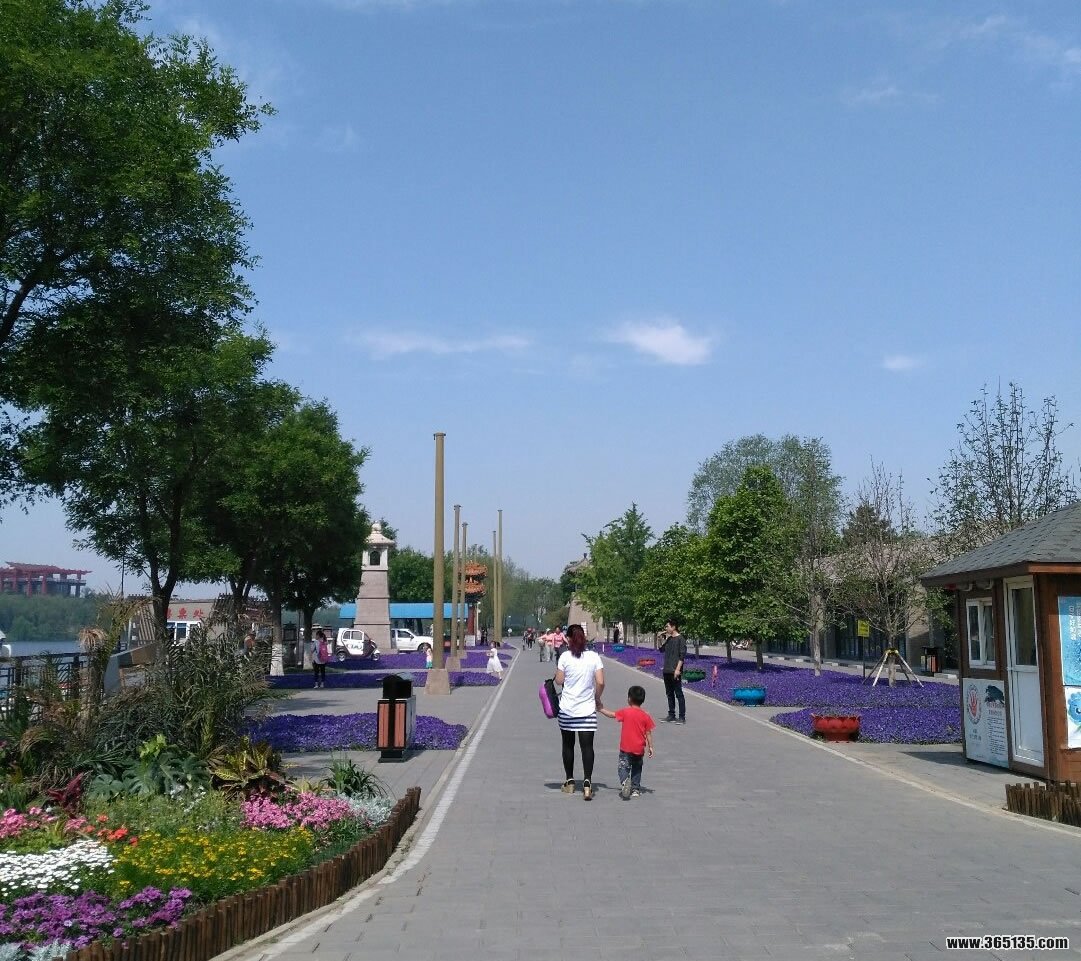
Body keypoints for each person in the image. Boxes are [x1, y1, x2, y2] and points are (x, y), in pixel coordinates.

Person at [554, 623, 604, 800]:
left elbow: (559, 681)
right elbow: (600, 682)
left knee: (568, 745)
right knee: (587, 747)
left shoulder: (565, 656)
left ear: (568, 639)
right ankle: (587, 783)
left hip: (567, 708)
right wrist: (597, 698)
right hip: (587, 709)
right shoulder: (593, 657)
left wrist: (560, 672)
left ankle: (569, 782)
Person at [599, 685, 655, 799]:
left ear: (629, 699)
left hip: (626, 748)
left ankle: (625, 782)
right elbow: (648, 733)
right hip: (639, 749)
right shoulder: (646, 716)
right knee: (637, 769)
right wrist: (651, 747)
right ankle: (635, 789)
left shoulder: (626, 712)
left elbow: (612, 715)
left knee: (623, 767)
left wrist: (600, 709)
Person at [659, 616, 687, 723]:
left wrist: (677, 670)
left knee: (678, 693)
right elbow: (661, 650)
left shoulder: (681, 639)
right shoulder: (669, 639)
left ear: (673, 627)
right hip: (667, 670)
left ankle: (682, 717)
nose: (666, 628)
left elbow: (682, 656)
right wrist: (659, 639)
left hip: (675, 671)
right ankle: (671, 715)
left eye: (667, 626)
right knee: (669, 694)